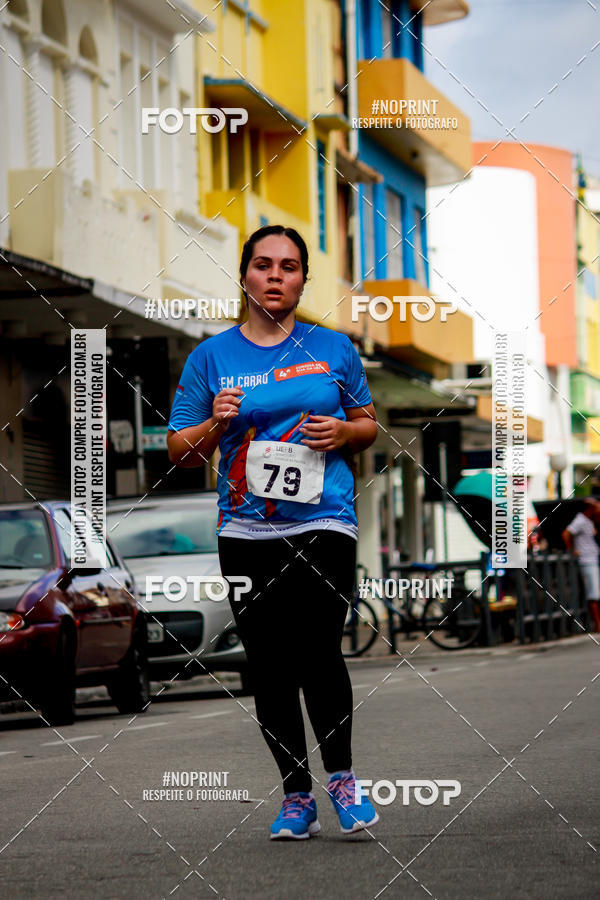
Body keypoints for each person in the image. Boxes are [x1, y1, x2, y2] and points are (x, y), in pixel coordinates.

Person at [167, 225, 380, 840]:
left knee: (318, 648)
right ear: (245, 275)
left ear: (302, 280)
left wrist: (344, 434)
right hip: (245, 529)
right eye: (264, 265)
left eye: (289, 266)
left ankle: (342, 781)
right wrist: (213, 423)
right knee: (269, 663)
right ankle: (296, 797)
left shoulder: (334, 348)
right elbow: (179, 452)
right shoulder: (211, 357)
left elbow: (368, 426)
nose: (276, 275)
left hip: (323, 519)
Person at [561, 499, 600, 633]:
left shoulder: (589, 522)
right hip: (587, 560)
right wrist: (572, 549)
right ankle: (597, 624)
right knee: (593, 593)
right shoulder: (581, 520)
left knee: (595, 591)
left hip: (593, 558)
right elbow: (566, 533)